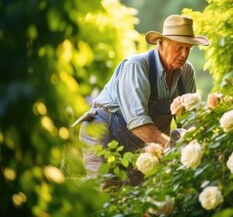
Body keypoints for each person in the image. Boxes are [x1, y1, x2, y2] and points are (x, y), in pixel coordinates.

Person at [74, 14, 210, 186]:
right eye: (179, 48)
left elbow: (190, 120)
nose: (184, 54)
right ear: (161, 44)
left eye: (188, 48)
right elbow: (138, 123)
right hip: (105, 132)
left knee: (142, 196)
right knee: (106, 193)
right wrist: (174, 147)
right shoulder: (137, 66)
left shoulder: (186, 72)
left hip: (144, 140)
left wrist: (195, 146)